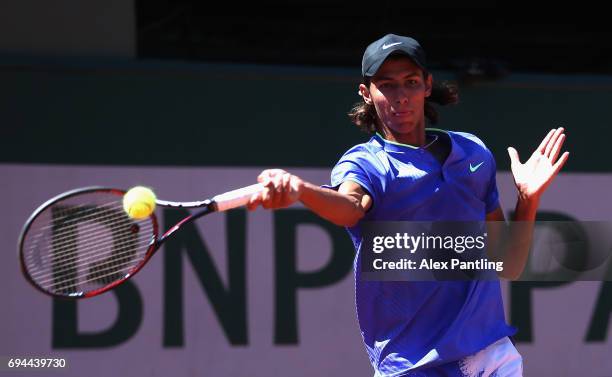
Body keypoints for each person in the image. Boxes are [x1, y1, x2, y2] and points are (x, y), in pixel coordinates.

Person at [247, 34, 569, 376]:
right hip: (414, 367)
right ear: (366, 93)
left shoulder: (474, 153)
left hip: (491, 356)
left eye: (411, 83)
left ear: (427, 85)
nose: (400, 97)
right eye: (386, 85)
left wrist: (527, 200)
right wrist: (301, 191)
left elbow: (508, 264)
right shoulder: (365, 163)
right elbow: (351, 205)